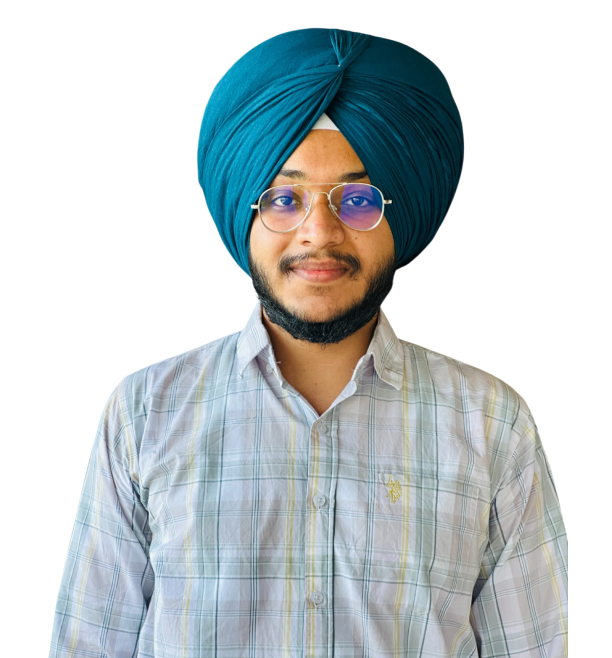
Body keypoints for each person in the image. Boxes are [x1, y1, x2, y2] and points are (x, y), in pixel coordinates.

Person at [49, 28, 568, 657]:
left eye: (357, 199)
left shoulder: (492, 424)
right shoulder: (143, 413)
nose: (318, 232)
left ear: (398, 218)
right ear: (245, 212)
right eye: (284, 198)